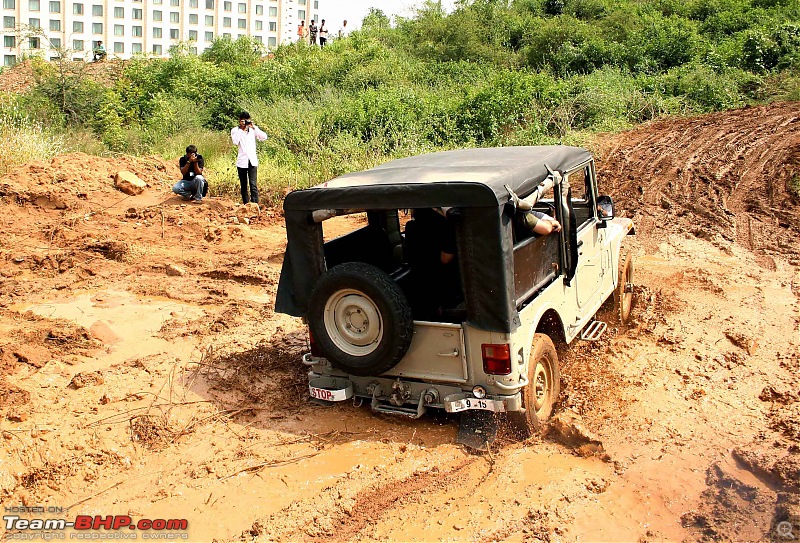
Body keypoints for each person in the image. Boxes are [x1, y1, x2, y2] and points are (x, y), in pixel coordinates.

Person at [230, 111, 267, 205]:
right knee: (243, 185)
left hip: (252, 160)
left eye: (246, 120)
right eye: (242, 121)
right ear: (239, 121)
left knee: (253, 184)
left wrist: (254, 127)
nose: (244, 123)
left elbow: (264, 137)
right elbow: (235, 142)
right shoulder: (235, 130)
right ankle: (246, 204)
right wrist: (242, 130)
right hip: (242, 161)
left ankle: (255, 204)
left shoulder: (253, 130)